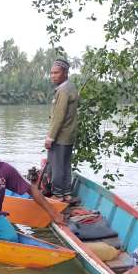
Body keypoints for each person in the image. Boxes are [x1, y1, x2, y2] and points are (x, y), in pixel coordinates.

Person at [44, 58, 79, 202]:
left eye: (56, 73)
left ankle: (58, 195)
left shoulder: (63, 90)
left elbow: (58, 116)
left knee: (57, 166)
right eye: (51, 73)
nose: (53, 76)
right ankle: (67, 194)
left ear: (65, 73)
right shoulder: (71, 87)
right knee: (65, 165)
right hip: (69, 135)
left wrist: (50, 138)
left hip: (60, 136)